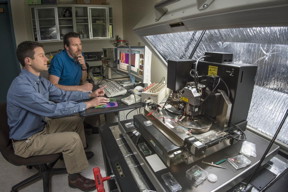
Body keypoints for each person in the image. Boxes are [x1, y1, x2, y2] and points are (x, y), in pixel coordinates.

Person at [7, 41, 109, 192]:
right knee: (72, 139)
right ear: (28, 61)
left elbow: (62, 95)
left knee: (75, 121)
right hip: (26, 141)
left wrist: (90, 95)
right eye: (41, 55)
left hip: (40, 129)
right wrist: (88, 104)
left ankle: (75, 154)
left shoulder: (40, 81)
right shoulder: (22, 87)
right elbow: (51, 109)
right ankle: (75, 179)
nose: (46, 59)